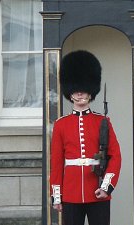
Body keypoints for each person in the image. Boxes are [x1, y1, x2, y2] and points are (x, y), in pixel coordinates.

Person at [50, 50, 122, 225]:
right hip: (71, 192)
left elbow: (115, 156)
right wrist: (57, 196)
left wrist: (106, 186)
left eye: (83, 89)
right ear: (70, 92)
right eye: (75, 89)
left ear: (91, 91)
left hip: (97, 189)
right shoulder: (61, 124)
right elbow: (57, 163)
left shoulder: (102, 121)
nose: (80, 93)